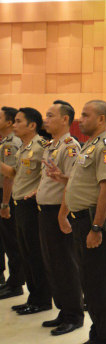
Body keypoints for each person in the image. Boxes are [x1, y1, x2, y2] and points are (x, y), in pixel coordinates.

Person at [47, 100, 106, 344]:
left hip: (95, 222)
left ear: (101, 119)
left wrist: (97, 227)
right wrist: (63, 178)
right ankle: (98, 334)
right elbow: (89, 181)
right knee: (90, 285)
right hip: (82, 221)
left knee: (101, 286)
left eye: (86, 115)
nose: (81, 119)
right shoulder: (90, 145)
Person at [37, 100, 84, 335]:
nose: (45, 119)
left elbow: (72, 184)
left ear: (65, 119)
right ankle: (64, 310)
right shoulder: (51, 145)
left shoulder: (70, 146)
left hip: (59, 213)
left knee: (65, 265)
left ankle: (74, 314)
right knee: (52, 264)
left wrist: (63, 214)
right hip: (45, 212)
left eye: (49, 115)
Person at [0, 108, 52, 315]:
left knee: (35, 254)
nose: (15, 125)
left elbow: (47, 176)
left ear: (32, 125)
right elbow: (14, 173)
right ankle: (33, 296)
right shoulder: (24, 147)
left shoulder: (41, 146)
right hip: (20, 204)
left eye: (19, 121)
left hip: (32, 206)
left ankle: (42, 299)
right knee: (26, 253)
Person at [0, 107, 25, 300]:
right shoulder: (3, 142)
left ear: (9, 122)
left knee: (12, 242)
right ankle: (9, 280)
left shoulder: (11, 144)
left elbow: (10, 176)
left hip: (6, 195)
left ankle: (16, 283)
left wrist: (5, 203)